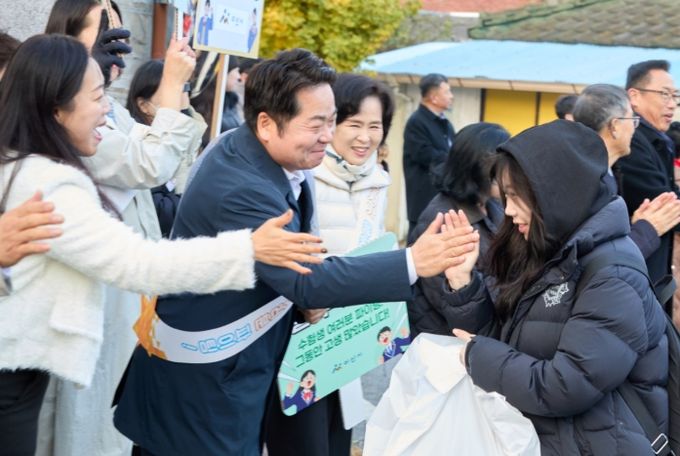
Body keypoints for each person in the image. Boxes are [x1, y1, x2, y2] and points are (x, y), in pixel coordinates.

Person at [113, 48, 479, 456]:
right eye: (316, 124)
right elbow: (307, 281)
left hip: (233, 372)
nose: (328, 135)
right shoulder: (241, 187)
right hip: (200, 383)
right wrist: (413, 261)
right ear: (267, 124)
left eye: (332, 120)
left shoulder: (263, 155)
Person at [0, 34, 325, 456]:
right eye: (97, 97)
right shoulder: (51, 185)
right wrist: (246, 249)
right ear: (56, 109)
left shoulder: (20, 166)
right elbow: (141, 264)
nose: (107, 110)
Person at [41, 2, 213, 454]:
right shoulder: (60, 113)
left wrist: (178, 89)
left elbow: (171, 160)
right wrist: (169, 83)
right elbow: (147, 163)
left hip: (128, 288)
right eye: (102, 30)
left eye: (118, 30)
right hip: (88, 291)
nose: (114, 42)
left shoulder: (112, 111)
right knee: (87, 418)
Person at [441, 120, 668, 455]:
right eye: (505, 196)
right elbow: (504, 343)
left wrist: (479, 357)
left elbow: (567, 385)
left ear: (556, 192)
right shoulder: (547, 248)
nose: (509, 210)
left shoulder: (614, 274)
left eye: (516, 197)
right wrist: (463, 283)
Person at [265, 73, 395, 456]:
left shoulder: (379, 183)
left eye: (375, 126)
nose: (364, 137)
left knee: (338, 441)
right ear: (331, 122)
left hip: (348, 341)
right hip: (302, 336)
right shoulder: (304, 178)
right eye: (354, 124)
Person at [408, 122, 509, 336]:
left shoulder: (492, 204)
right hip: (447, 339)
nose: (506, 174)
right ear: (474, 166)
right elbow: (453, 301)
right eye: (498, 167)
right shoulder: (443, 219)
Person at [573, 83, 680, 262]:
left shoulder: (603, 173)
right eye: (632, 120)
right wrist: (647, 229)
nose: (634, 128)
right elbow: (592, 258)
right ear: (615, 126)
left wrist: (632, 225)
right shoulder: (588, 183)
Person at [617, 60, 680, 286]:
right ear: (634, 96)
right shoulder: (632, 141)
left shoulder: (658, 141)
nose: (672, 104)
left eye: (675, 96)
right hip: (632, 275)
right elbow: (664, 204)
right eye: (664, 95)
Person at [126, 59, 199, 237]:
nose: (181, 98)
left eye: (185, 88)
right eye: (171, 92)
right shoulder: (139, 145)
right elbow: (159, 211)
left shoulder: (187, 130)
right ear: (143, 105)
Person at [403, 73, 455, 237]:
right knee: (418, 242)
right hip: (423, 201)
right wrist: (454, 160)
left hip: (443, 198)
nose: (451, 96)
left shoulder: (445, 124)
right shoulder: (417, 122)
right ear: (433, 97)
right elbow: (425, 154)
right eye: (447, 92)